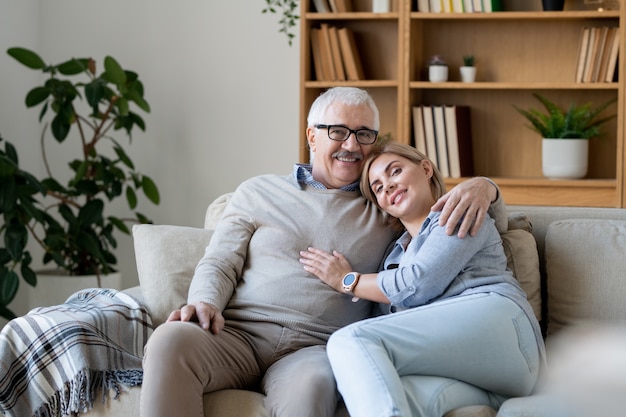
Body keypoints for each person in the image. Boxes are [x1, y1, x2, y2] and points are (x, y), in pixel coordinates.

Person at [139, 87, 504, 417]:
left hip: (317, 348)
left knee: (312, 386)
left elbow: (453, 220)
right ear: (312, 136)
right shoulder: (257, 192)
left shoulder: (383, 201)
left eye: (364, 134)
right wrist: (205, 301)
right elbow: (220, 260)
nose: (352, 145)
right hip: (237, 335)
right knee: (170, 341)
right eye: (338, 131)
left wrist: (485, 187)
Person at [299, 142, 546, 417]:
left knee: (350, 341)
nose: (388, 187)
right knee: (393, 393)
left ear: (425, 168)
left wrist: (348, 281)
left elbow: (417, 283)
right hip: (487, 380)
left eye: (395, 172)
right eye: (378, 187)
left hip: (503, 329)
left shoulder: (457, 211)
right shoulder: (392, 259)